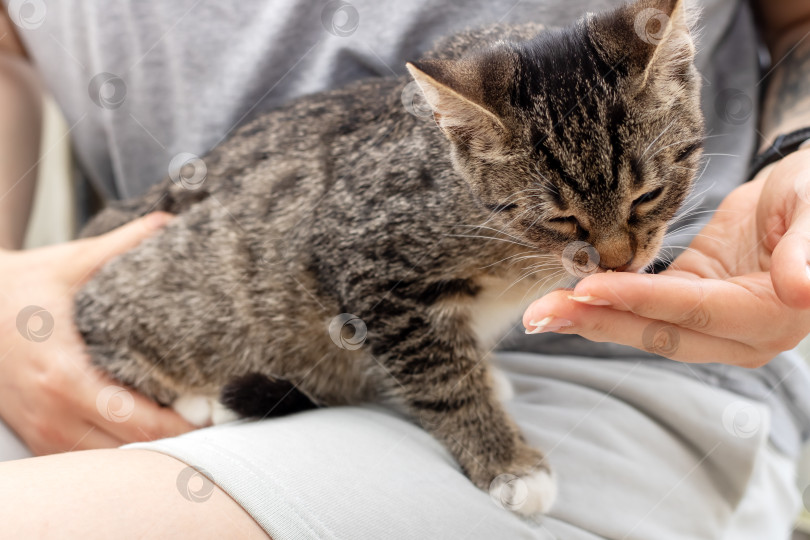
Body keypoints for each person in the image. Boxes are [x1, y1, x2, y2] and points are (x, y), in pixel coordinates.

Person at [0, 0, 808, 537]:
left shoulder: (646, 87)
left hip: (637, 374)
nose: (620, 252)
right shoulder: (467, 157)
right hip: (139, 330)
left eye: (646, 202)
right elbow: (374, 273)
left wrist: (798, 157)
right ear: (464, 138)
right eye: (564, 222)